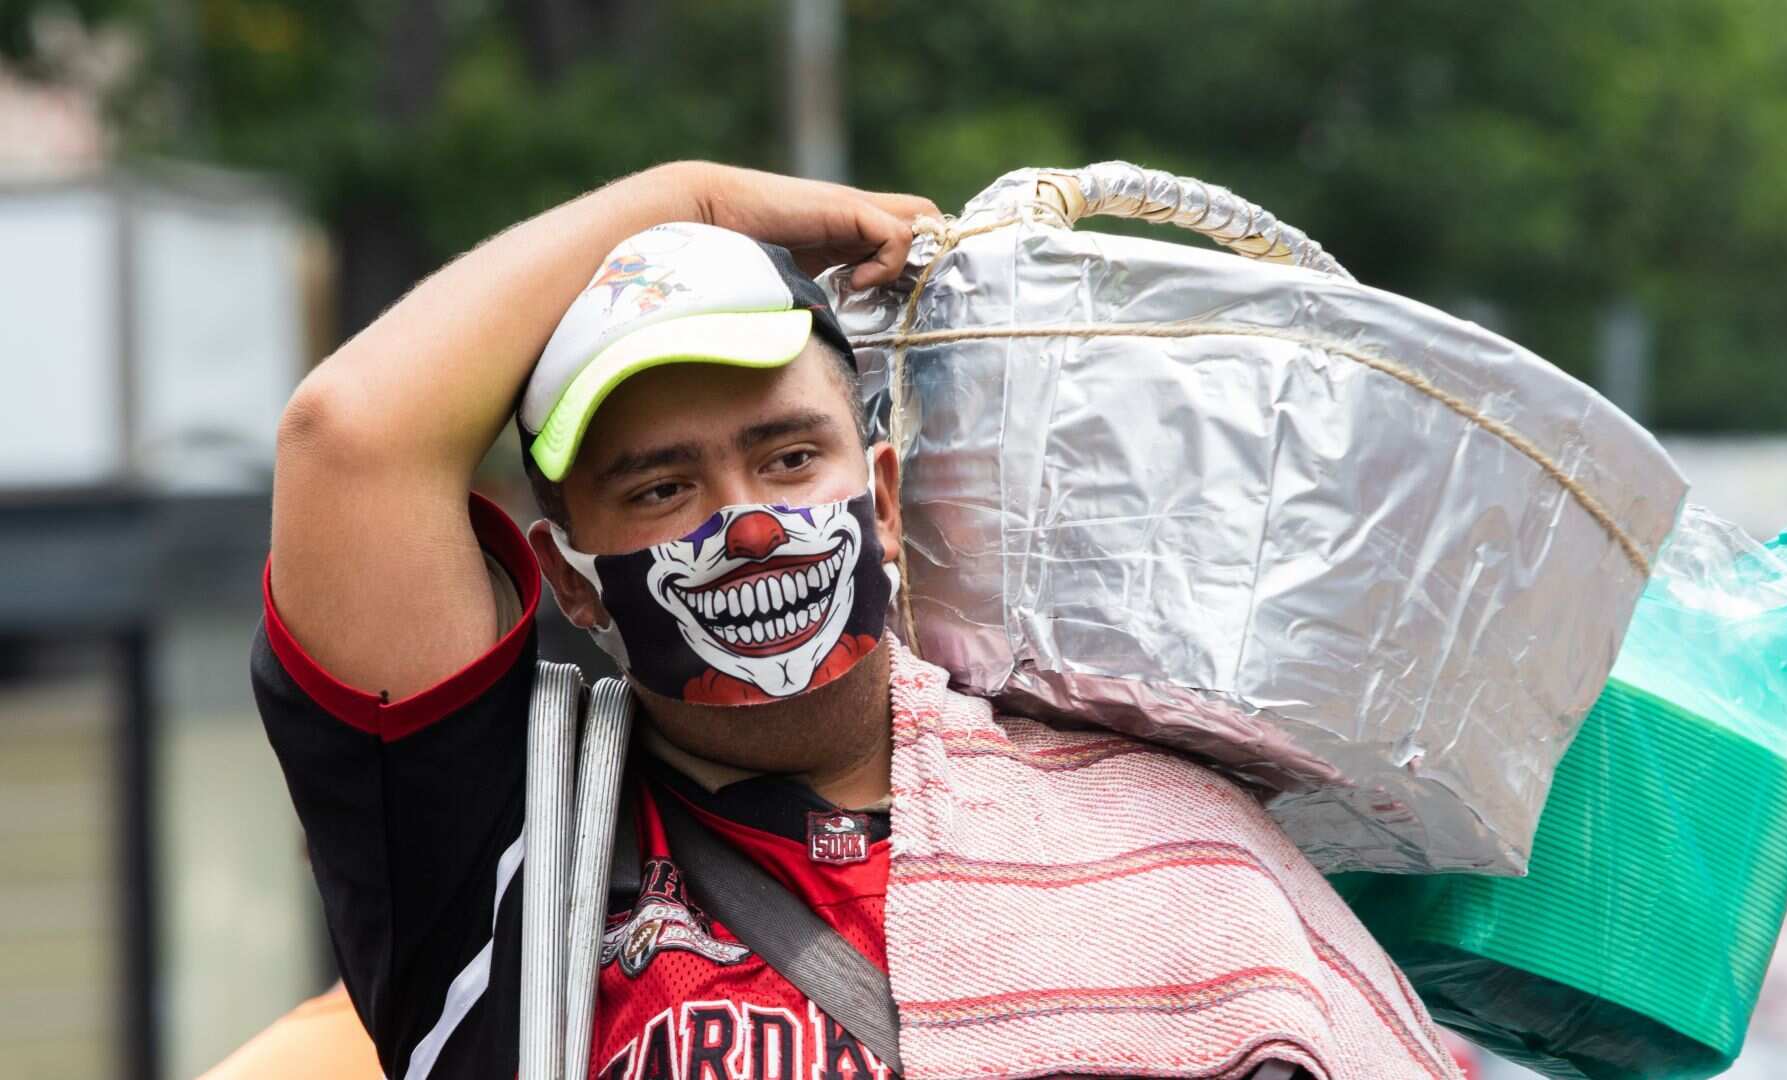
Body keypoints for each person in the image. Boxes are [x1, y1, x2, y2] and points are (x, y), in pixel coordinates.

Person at [254, 160, 1465, 1079]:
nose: (750, 526)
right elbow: (348, 441)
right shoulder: (506, 858)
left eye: (787, 458)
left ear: (882, 500)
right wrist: (698, 201)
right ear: (572, 583)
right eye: (662, 488)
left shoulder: (1164, 835)